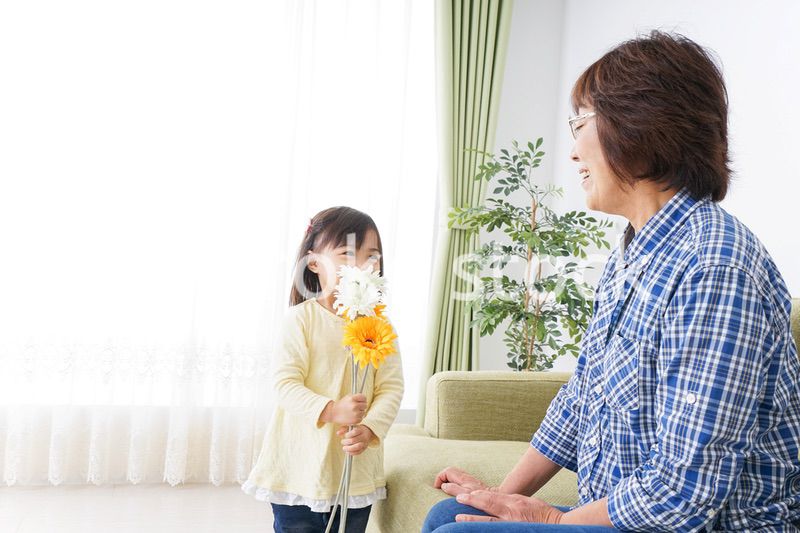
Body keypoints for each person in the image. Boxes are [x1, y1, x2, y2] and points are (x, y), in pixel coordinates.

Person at [423, 30, 800, 532]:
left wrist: (554, 522)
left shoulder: (714, 268)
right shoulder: (632, 252)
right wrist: (501, 498)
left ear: (641, 129)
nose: (574, 150)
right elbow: (582, 397)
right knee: (454, 514)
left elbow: (683, 489)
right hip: (629, 516)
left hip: (708, 526)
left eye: (580, 123)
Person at [242, 206, 404, 533]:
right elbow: (285, 384)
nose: (361, 265)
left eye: (372, 257)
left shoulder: (379, 324)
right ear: (314, 262)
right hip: (297, 468)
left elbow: (392, 387)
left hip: (354, 471)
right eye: (347, 253)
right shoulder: (300, 320)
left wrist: (370, 428)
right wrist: (331, 410)